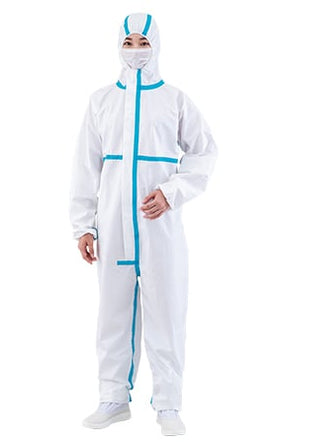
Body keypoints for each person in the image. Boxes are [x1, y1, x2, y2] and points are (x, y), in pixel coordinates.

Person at [69, 13, 217, 436]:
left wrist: (172, 192)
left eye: (143, 42)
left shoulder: (174, 100)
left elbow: (204, 153)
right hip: (113, 226)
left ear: (157, 45)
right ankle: (112, 398)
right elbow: (85, 167)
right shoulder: (101, 101)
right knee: (112, 313)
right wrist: (84, 226)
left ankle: (168, 404)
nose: (136, 50)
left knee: (166, 311)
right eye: (129, 42)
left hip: (159, 227)